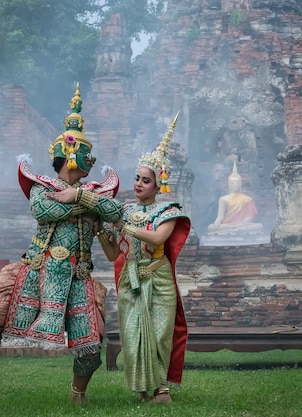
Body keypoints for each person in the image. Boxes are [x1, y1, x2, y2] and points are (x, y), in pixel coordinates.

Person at [0, 84, 125, 413]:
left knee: (90, 347)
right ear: (71, 154)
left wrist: (81, 197)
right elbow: (45, 212)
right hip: (34, 268)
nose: (92, 160)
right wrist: (88, 206)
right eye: (88, 154)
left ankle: (78, 394)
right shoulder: (42, 188)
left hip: (78, 275)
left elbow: (118, 214)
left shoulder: (93, 192)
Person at [97, 112, 191, 404]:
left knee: (159, 334)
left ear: (158, 184)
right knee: (133, 335)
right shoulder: (124, 210)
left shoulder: (168, 211)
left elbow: (157, 238)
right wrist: (102, 233)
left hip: (157, 278)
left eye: (146, 180)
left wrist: (123, 226)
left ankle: (161, 391)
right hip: (131, 279)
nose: (138, 184)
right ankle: (141, 388)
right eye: (137, 178)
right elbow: (116, 253)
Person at [207, 161, 262, 233]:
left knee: (259, 225)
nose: (235, 184)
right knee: (211, 227)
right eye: (232, 183)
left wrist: (239, 224)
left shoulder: (247, 199)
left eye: (237, 182)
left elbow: (249, 218)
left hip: (242, 225)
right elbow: (221, 216)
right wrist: (217, 221)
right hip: (227, 225)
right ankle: (233, 229)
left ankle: (234, 229)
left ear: (240, 184)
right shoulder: (223, 199)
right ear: (229, 184)